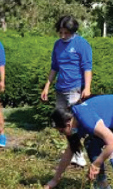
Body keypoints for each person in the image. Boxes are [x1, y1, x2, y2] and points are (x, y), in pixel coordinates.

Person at [40, 16, 93, 167]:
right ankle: (72, 153)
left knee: (74, 124)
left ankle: (79, 155)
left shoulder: (81, 44)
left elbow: (87, 67)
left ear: (73, 31)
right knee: (63, 124)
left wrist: (87, 88)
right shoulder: (57, 45)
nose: (63, 36)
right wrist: (47, 86)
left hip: (75, 88)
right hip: (61, 88)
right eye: (61, 32)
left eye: (66, 33)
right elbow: (54, 67)